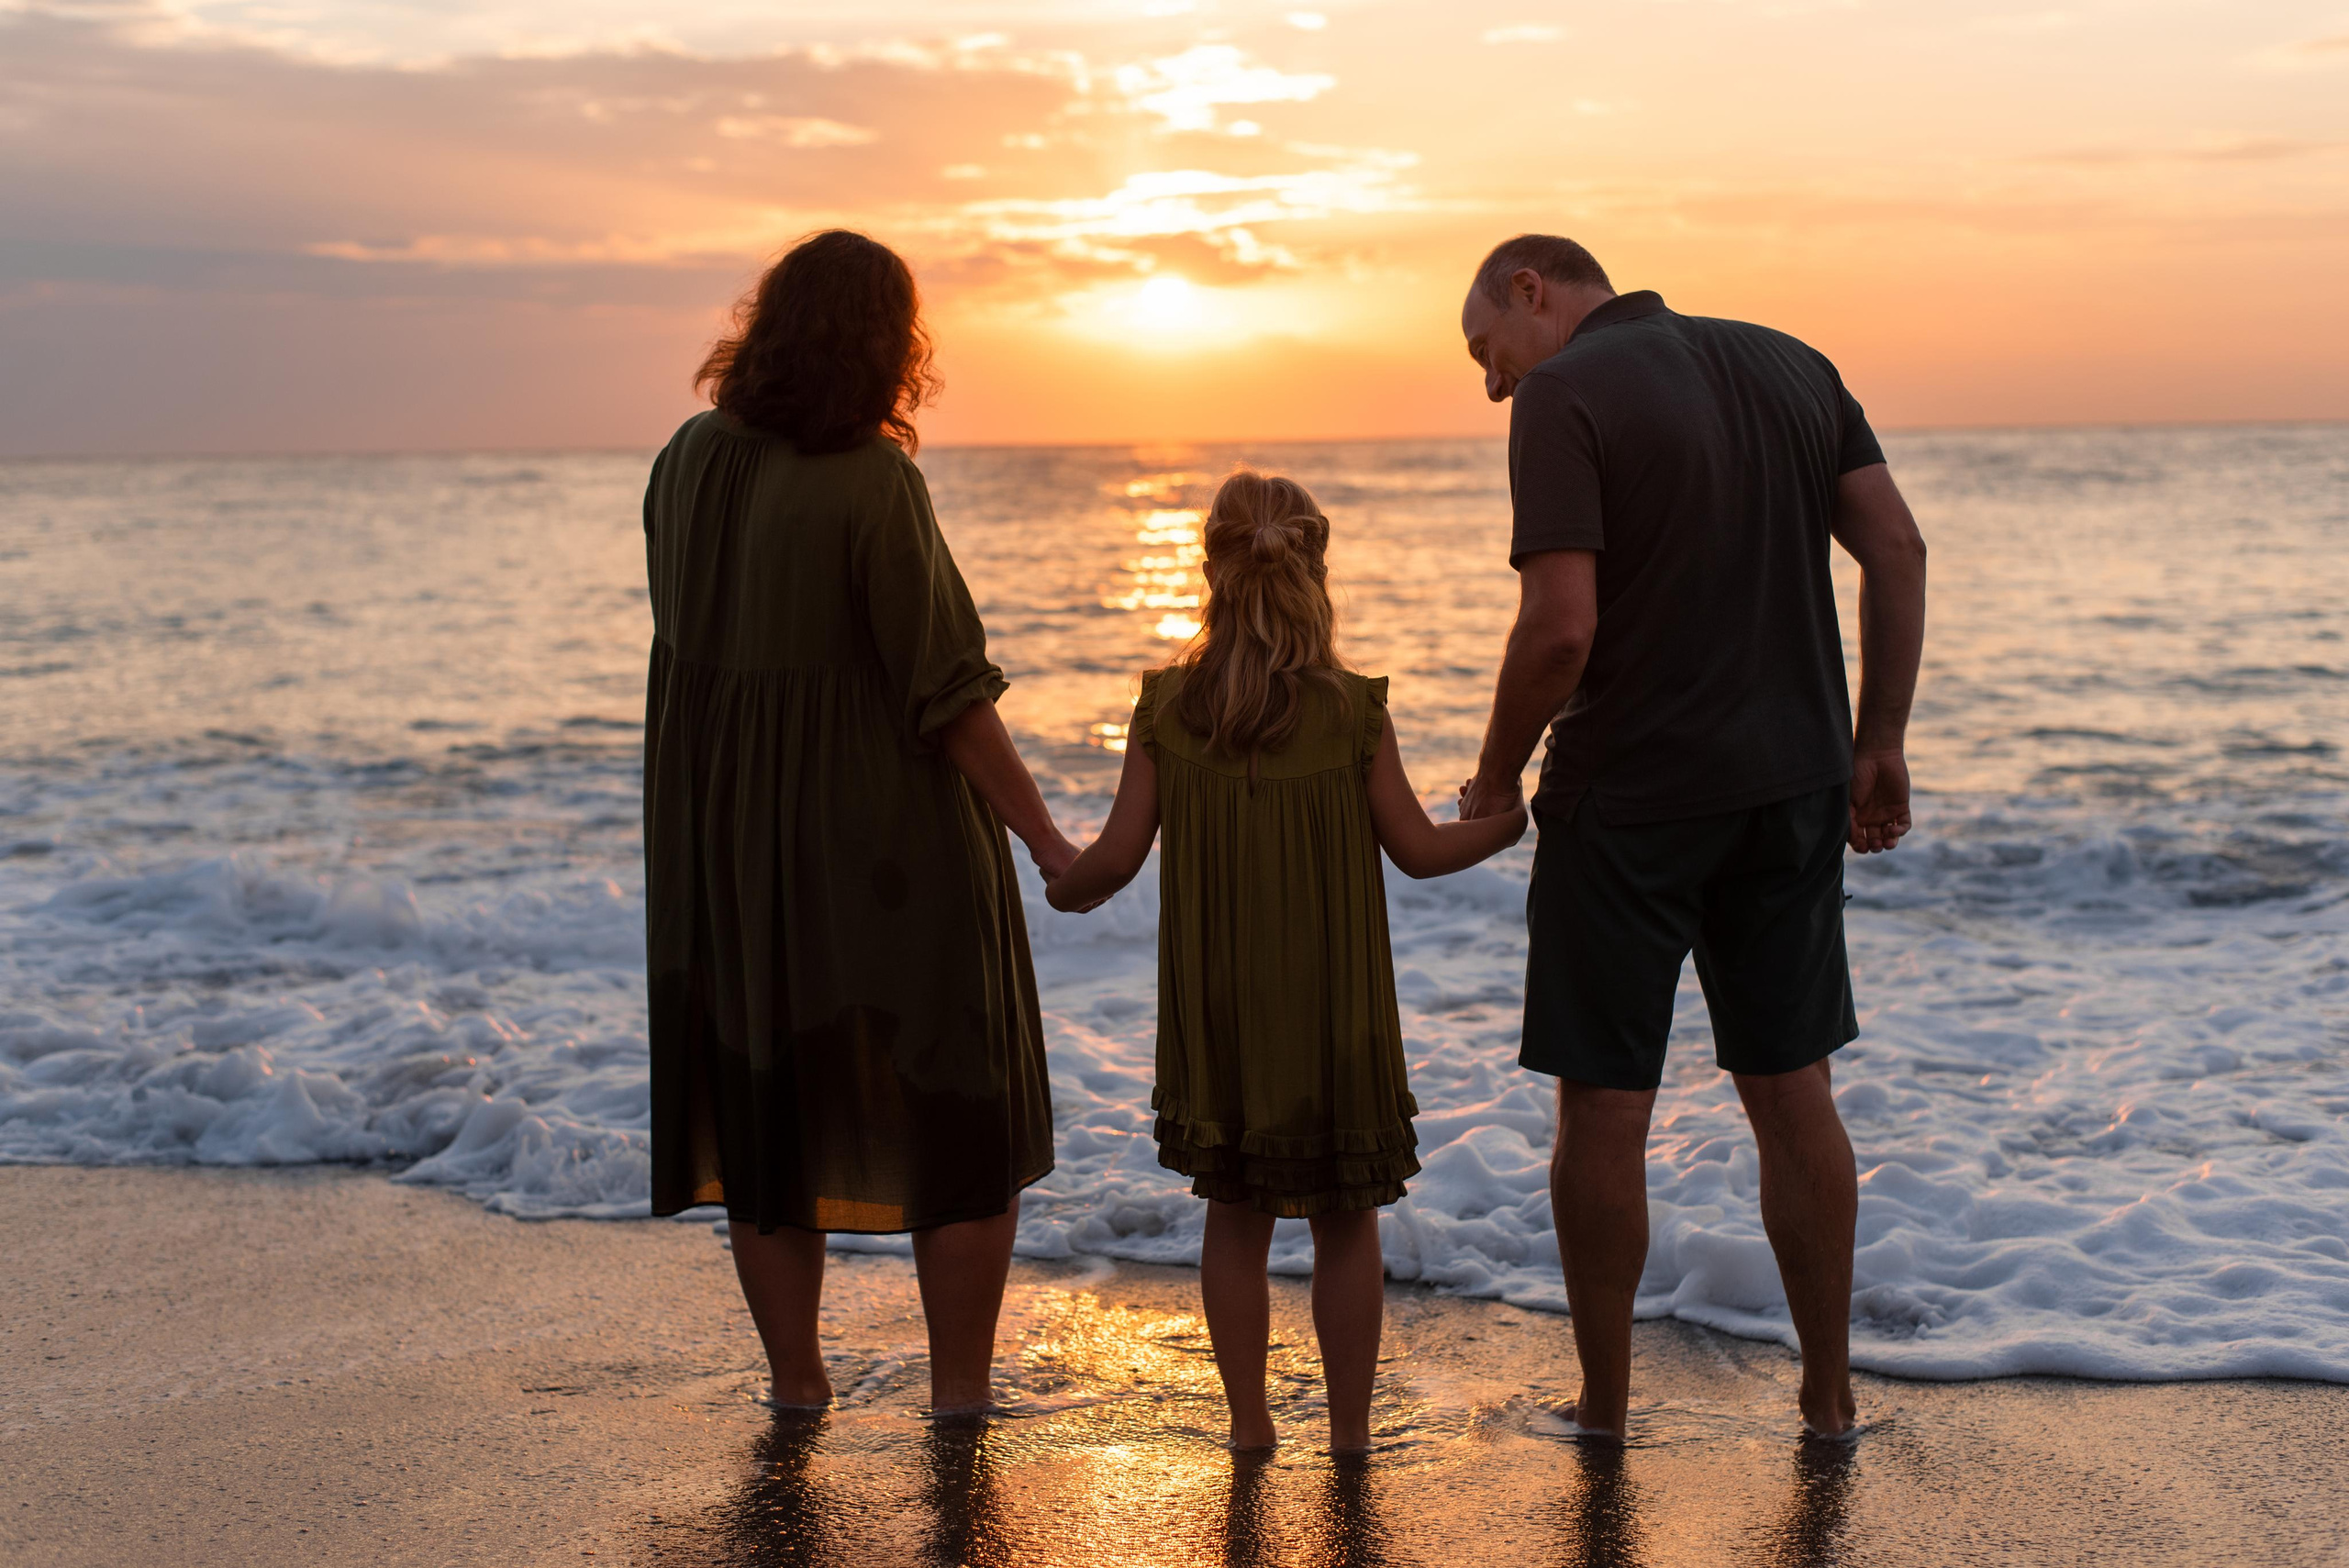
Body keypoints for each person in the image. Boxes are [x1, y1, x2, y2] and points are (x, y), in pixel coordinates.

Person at [1454, 235, 1928, 1441]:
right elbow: (1897, 547)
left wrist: (1494, 773)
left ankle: (1607, 1410)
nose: (1494, 385)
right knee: (1792, 1086)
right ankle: (1827, 1397)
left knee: (1606, 1108)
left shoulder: (1564, 393)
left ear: (1530, 289)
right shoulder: (1795, 365)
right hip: (1794, 785)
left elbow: (1560, 629)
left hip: (1630, 800)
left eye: (1486, 352)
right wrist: (1878, 737)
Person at [640, 230, 1075, 1415]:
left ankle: (797, 1384)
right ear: (890, 345)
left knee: (767, 1111)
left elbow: (701, 654)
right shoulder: (873, 481)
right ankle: (959, 1394)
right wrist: (1047, 842)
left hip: (730, 849)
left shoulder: (683, 459)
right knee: (961, 1113)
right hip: (885, 847)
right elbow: (948, 694)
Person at [1046, 470, 1529, 1452]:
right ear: (1315, 569)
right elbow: (1420, 850)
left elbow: (1113, 859)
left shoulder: (1165, 708)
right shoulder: (1354, 711)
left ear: (1211, 571)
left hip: (1220, 1011)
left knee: (1234, 1217)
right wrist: (1506, 820)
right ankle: (1348, 1435)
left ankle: (1249, 1426)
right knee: (1346, 1221)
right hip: (1334, 1009)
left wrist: (1059, 880)